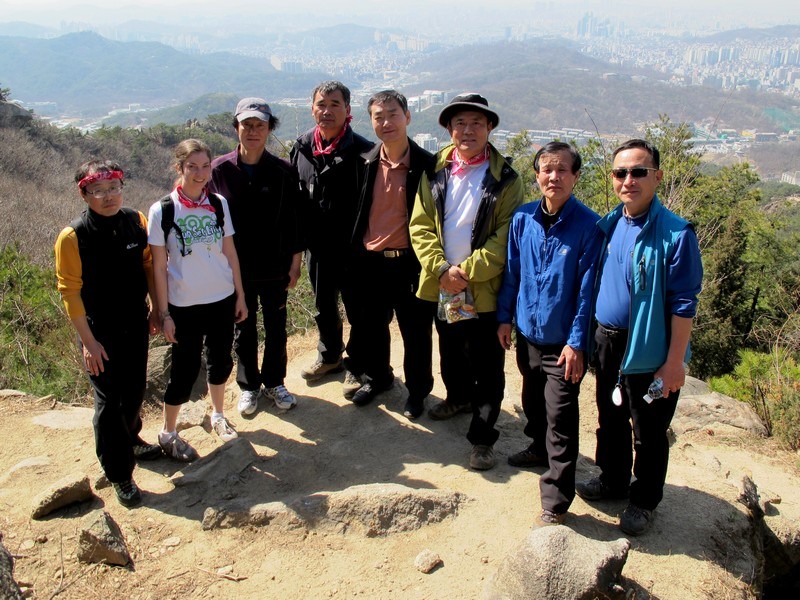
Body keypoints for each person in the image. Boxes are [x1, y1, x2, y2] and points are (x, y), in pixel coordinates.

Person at [576, 138, 703, 535]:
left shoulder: (676, 233)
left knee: (647, 431)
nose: (628, 180)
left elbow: (685, 303)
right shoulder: (610, 224)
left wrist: (674, 362)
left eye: (638, 172)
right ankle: (612, 480)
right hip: (607, 341)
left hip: (649, 350)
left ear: (657, 177)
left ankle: (644, 500)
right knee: (609, 417)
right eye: (620, 173)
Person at [410, 93, 524, 470]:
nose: (468, 130)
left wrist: (466, 272)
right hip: (444, 284)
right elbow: (421, 224)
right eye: (460, 123)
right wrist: (442, 270)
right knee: (451, 346)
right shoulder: (436, 168)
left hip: (482, 287)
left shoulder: (506, 178)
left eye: (477, 123)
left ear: (489, 128)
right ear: (448, 129)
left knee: (488, 364)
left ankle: (482, 439)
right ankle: (458, 397)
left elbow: (505, 236)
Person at [496, 142, 603, 525]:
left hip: (563, 342)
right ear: (537, 175)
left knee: (561, 414)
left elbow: (587, 292)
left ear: (575, 176)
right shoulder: (523, 219)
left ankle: (556, 499)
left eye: (562, 170)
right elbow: (513, 273)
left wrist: (577, 342)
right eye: (546, 169)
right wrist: (505, 318)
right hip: (527, 331)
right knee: (532, 396)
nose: (553, 177)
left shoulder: (590, 227)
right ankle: (537, 448)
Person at [55, 159, 161, 507]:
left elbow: (148, 265)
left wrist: (158, 310)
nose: (107, 196)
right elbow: (69, 291)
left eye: (113, 188)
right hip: (99, 333)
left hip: (135, 322)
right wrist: (88, 342)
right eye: (98, 191)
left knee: (134, 390)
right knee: (108, 403)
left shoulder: (135, 221)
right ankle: (119, 473)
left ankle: (131, 438)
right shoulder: (73, 237)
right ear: (83, 193)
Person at [148, 139, 248, 462]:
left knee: (221, 360)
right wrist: (163, 313)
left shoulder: (218, 204)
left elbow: (230, 252)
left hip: (220, 297)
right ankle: (168, 432)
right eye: (192, 167)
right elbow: (159, 267)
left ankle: (217, 414)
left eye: (206, 166)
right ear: (179, 168)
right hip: (183, 305)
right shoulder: (163, 210)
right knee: (184, 370)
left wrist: (240, 294)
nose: (201, 173)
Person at [210, 98, 305, 417]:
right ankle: (249, 386)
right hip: (234, 269)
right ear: (236, 128)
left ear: (269, 129)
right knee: (244, 327)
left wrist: (296, 261)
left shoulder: (282, 170)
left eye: (259, 126)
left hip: (276, 264)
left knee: (277, 326)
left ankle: (275, 382)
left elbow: (294, 218)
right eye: (246, 125)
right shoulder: (219, 170)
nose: (253, 131)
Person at [345, 90, 436, 417]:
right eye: (378, 116)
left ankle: (418, 391)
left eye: (393, 114)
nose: (386, 122)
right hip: (370, 262)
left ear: (407, 117)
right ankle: (380, 377)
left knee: (415, 333)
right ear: (371, 122)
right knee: (371, 327)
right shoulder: (365, 162)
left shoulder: (427, 165)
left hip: (410, 264)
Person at [290, 81, 374, 394]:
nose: (327, 111)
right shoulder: (301, 148)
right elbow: (296, 202)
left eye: (334, 104)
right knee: (323, 305)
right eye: (321, 104)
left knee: (357, 309)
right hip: (318, 248)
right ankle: (329, 357)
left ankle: (357, 364)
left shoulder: (364, 153)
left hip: (354, 249)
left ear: (347, 111)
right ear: (312, 108)